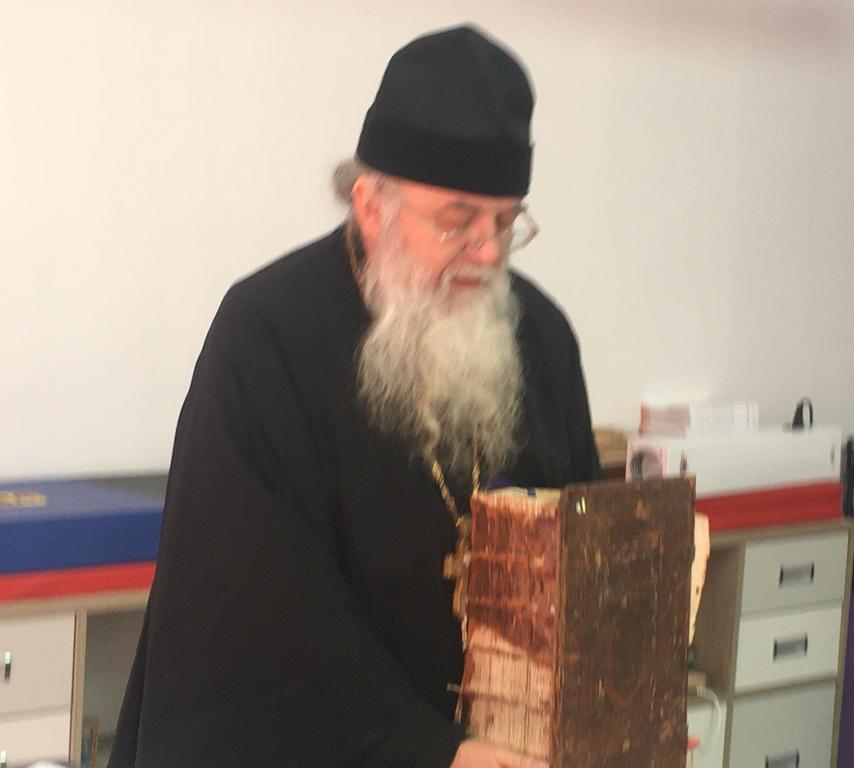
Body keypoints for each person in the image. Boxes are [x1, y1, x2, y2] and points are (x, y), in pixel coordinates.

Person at [109, 24, 602, 768]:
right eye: (458, 222)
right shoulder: (268, 334)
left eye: (506, 223)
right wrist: (431, 751)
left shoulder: (542, 336)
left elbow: (583, 549)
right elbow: (255, 605)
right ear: (371, 205)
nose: (487, 252)